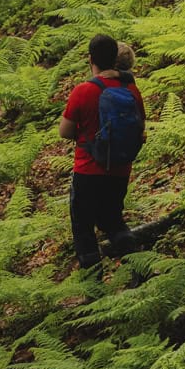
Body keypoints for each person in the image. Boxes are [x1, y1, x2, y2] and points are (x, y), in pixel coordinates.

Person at [59, 34, 146, 269]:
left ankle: (94, 292)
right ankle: (140, 271)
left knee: (83, 228)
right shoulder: (130, 89)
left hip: (88, 170)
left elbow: (65, 131)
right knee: (114, 221)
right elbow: (140, 126)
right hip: (119, 169)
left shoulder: (83, 91)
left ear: (90, 59)